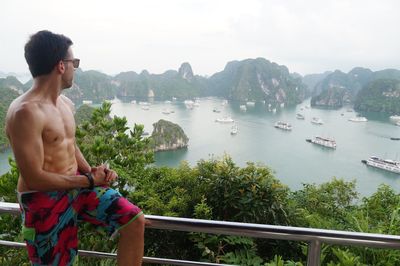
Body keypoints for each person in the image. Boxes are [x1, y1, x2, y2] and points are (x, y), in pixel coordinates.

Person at [5, 30, 145, 266]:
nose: (75, 69)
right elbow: (34, 177)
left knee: (134, 220)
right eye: (74, 63)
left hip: (78, 185)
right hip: (43, 200)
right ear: (61, 65)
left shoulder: (65, 103)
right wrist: (89, 181)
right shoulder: (25, 112)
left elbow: (69, 144)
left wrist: (91, 171)